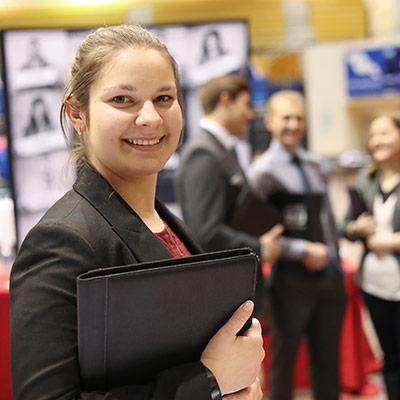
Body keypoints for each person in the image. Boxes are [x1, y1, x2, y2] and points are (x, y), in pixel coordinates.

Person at [10, 25, 264, 400]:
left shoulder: (168, 225)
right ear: (76, 113)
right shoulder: (62, 242)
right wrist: (208, 383)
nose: (150, 118)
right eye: (123, 100)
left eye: (164, 97)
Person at [247, 90, 346, 400]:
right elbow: (256, 231)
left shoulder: (316, 165)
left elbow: (327, 217)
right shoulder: (261, 172)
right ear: (271, 121)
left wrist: (335, 259)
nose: (293, 124)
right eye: (286, 117)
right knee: (284, 360)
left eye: (299, 118)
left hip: (329, 278)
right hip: (290, 280)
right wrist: (302, 251)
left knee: (328, 360)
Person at [175, 75, 283, 316]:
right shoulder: (203, 154)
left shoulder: (220, 150)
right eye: (246, 105)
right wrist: (259, 247)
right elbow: (206, 232)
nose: (250, 115)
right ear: (226, 100)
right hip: (224, 294)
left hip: (235, 287)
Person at [344, 114, 400, 400]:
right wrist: (357, 227)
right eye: (373, 135)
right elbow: (347, 227)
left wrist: (388, 241)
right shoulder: (366, 179)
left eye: (385, 133)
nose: (377, 140)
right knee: (389, 357)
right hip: (375, 284)